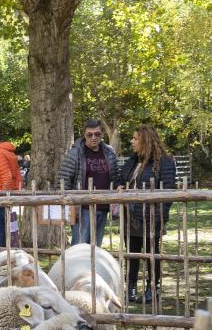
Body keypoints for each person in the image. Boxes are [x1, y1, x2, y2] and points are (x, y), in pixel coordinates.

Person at [119, 125, 176, 304]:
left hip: (151, 217)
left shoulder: (164, 162)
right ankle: (130, 289)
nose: (132, 141)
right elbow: (121, 179)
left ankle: (152, 290)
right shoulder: (134, 160)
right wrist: (121, 186)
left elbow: (168, 192)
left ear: (146, 141)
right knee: (132, 254)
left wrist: (158, 216)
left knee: (152, 255)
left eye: (136, 139)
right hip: (131, 216)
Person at [58, 118, 120, 246]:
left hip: (103, 207)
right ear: (84, 135)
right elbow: (64, 180)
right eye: (89, 135)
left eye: (97, 134)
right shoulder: (75, 153)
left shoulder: (109, 152)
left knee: (96, 247)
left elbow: (115, 177)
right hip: (82, 208)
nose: (93, 138)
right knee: (79, 247)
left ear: (102, 134)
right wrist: (68, 206)